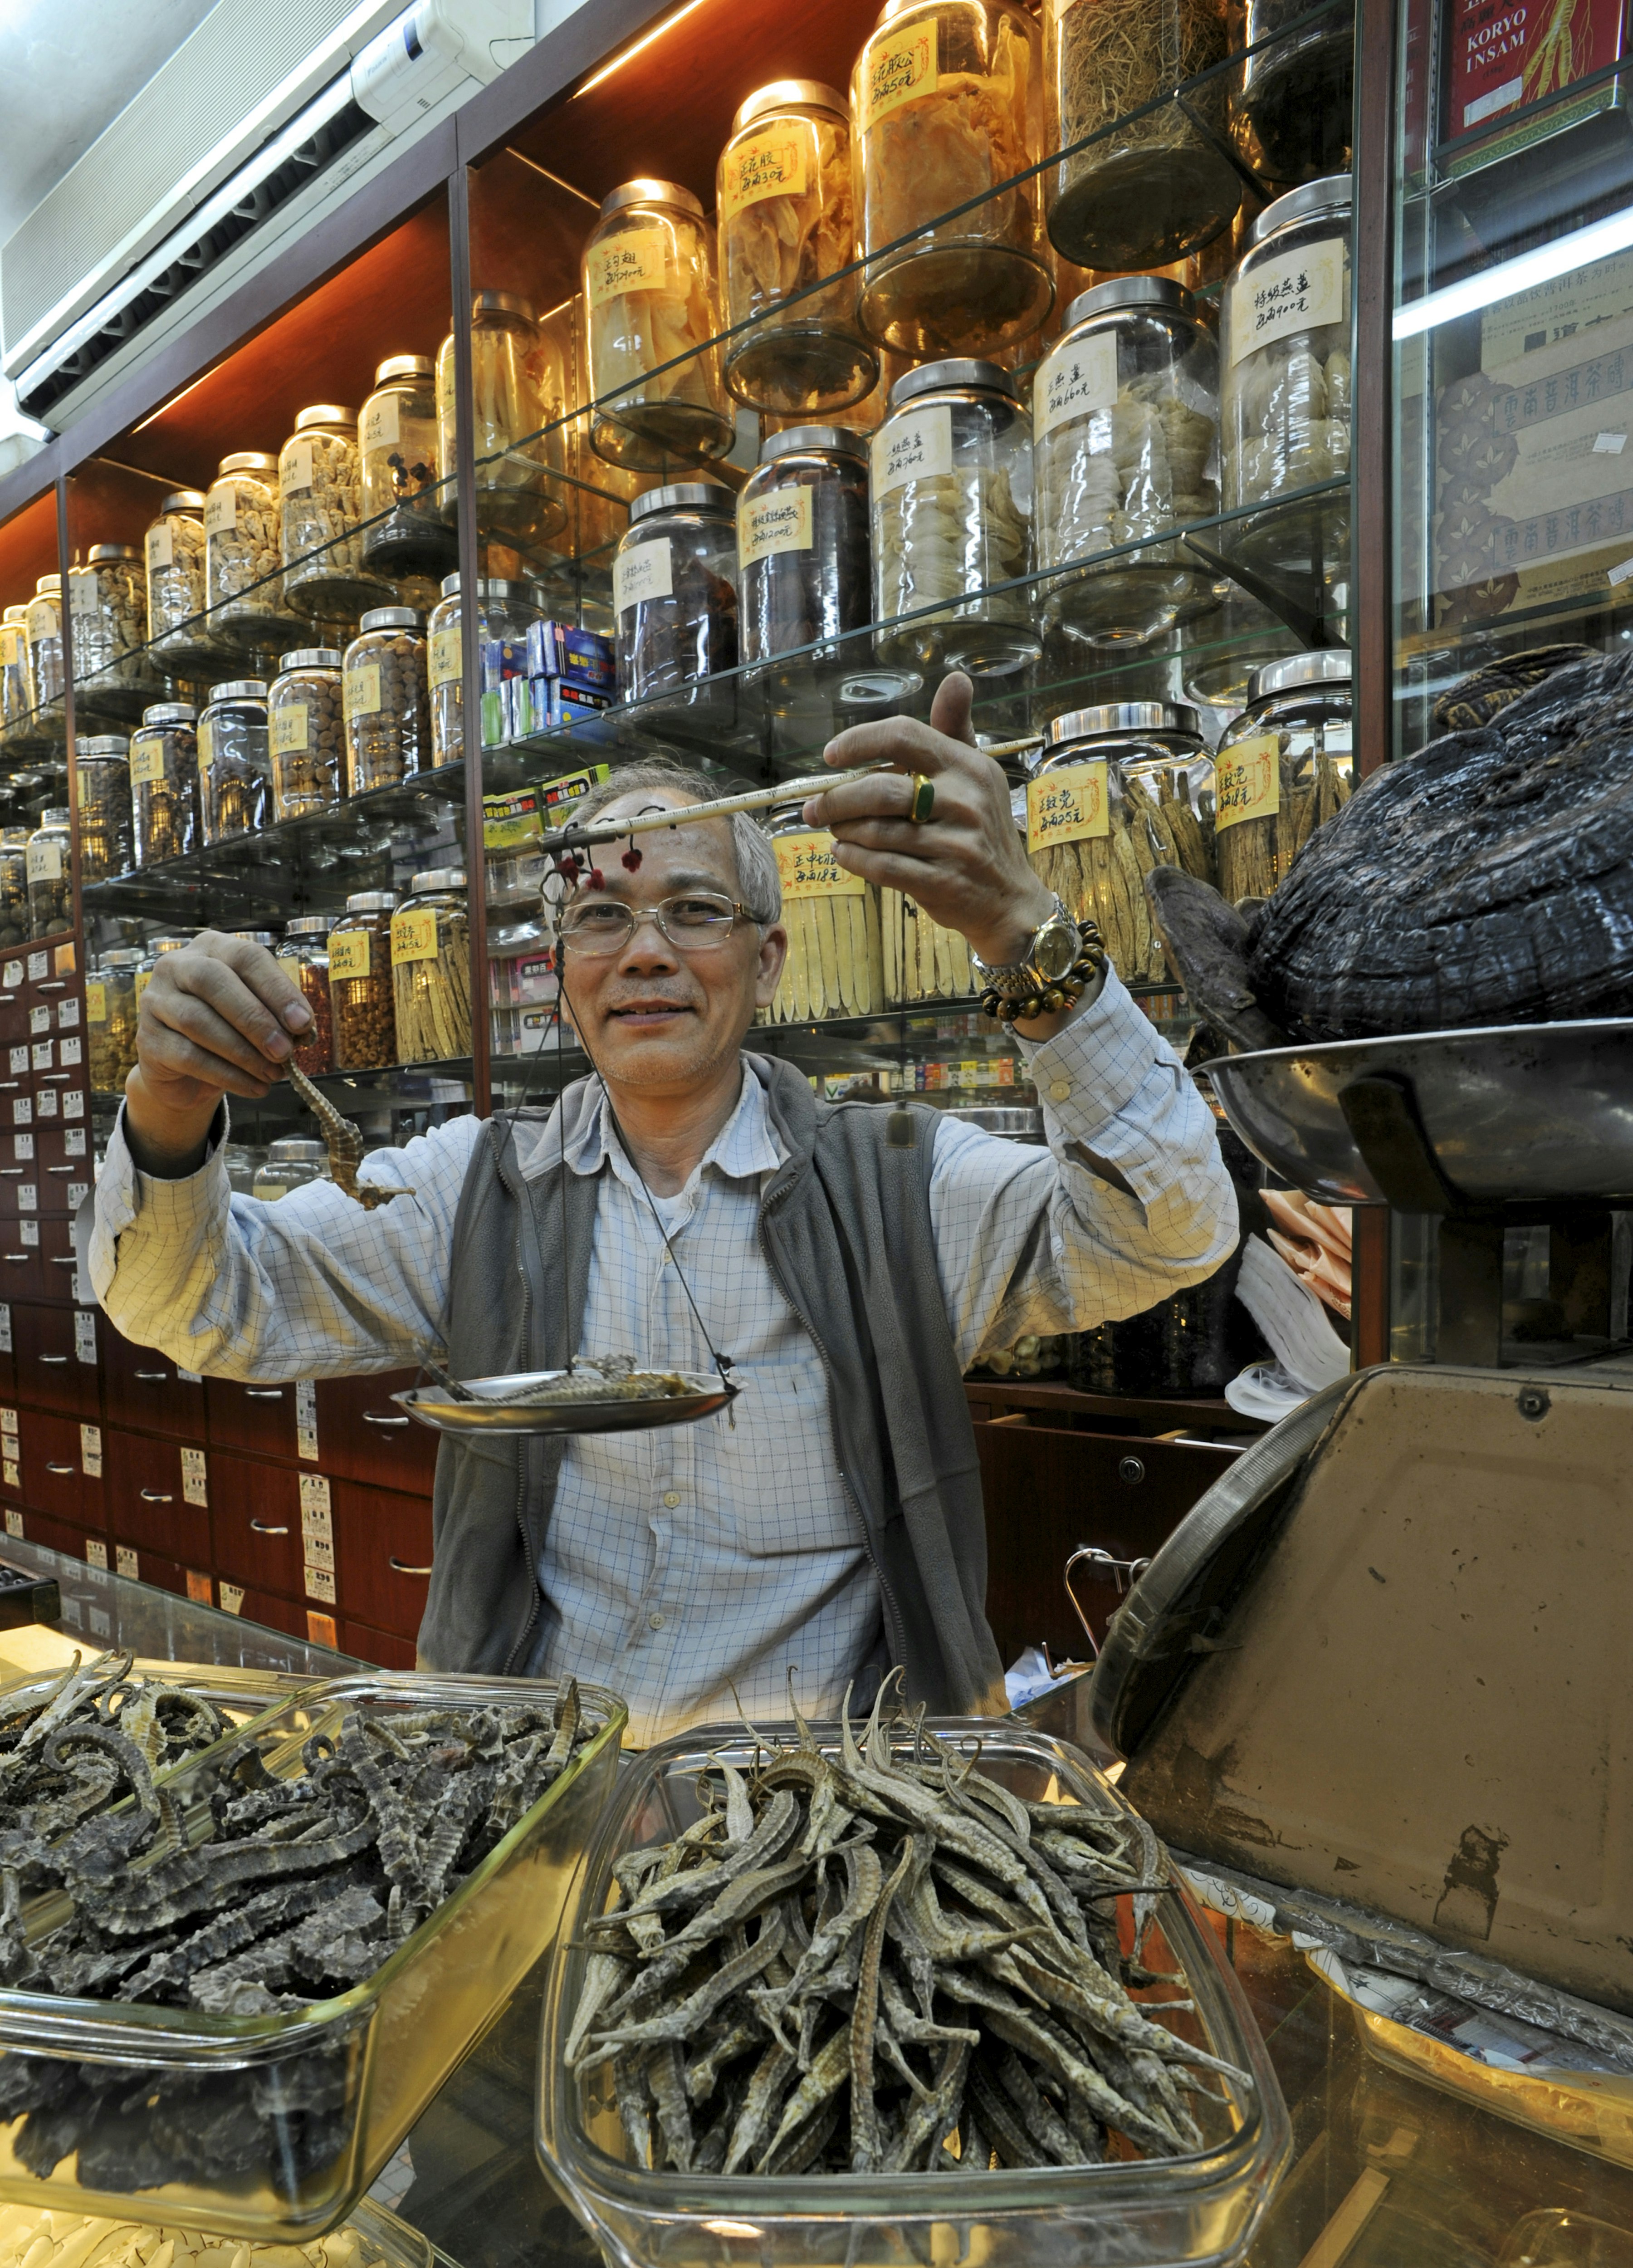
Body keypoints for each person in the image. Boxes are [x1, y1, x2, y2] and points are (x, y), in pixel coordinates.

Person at [91, 680, 1237, 1743]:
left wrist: (1022, 930)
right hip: (537, 1788)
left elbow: (1166, 1232)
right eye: (602, 918)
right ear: (559, 966)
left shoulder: (903, 1187)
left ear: (769, 958)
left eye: (694, 909)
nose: (645, 952)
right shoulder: (472, 1192)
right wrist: (170, 1098)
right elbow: (201, 1305)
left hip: (824, 1815)